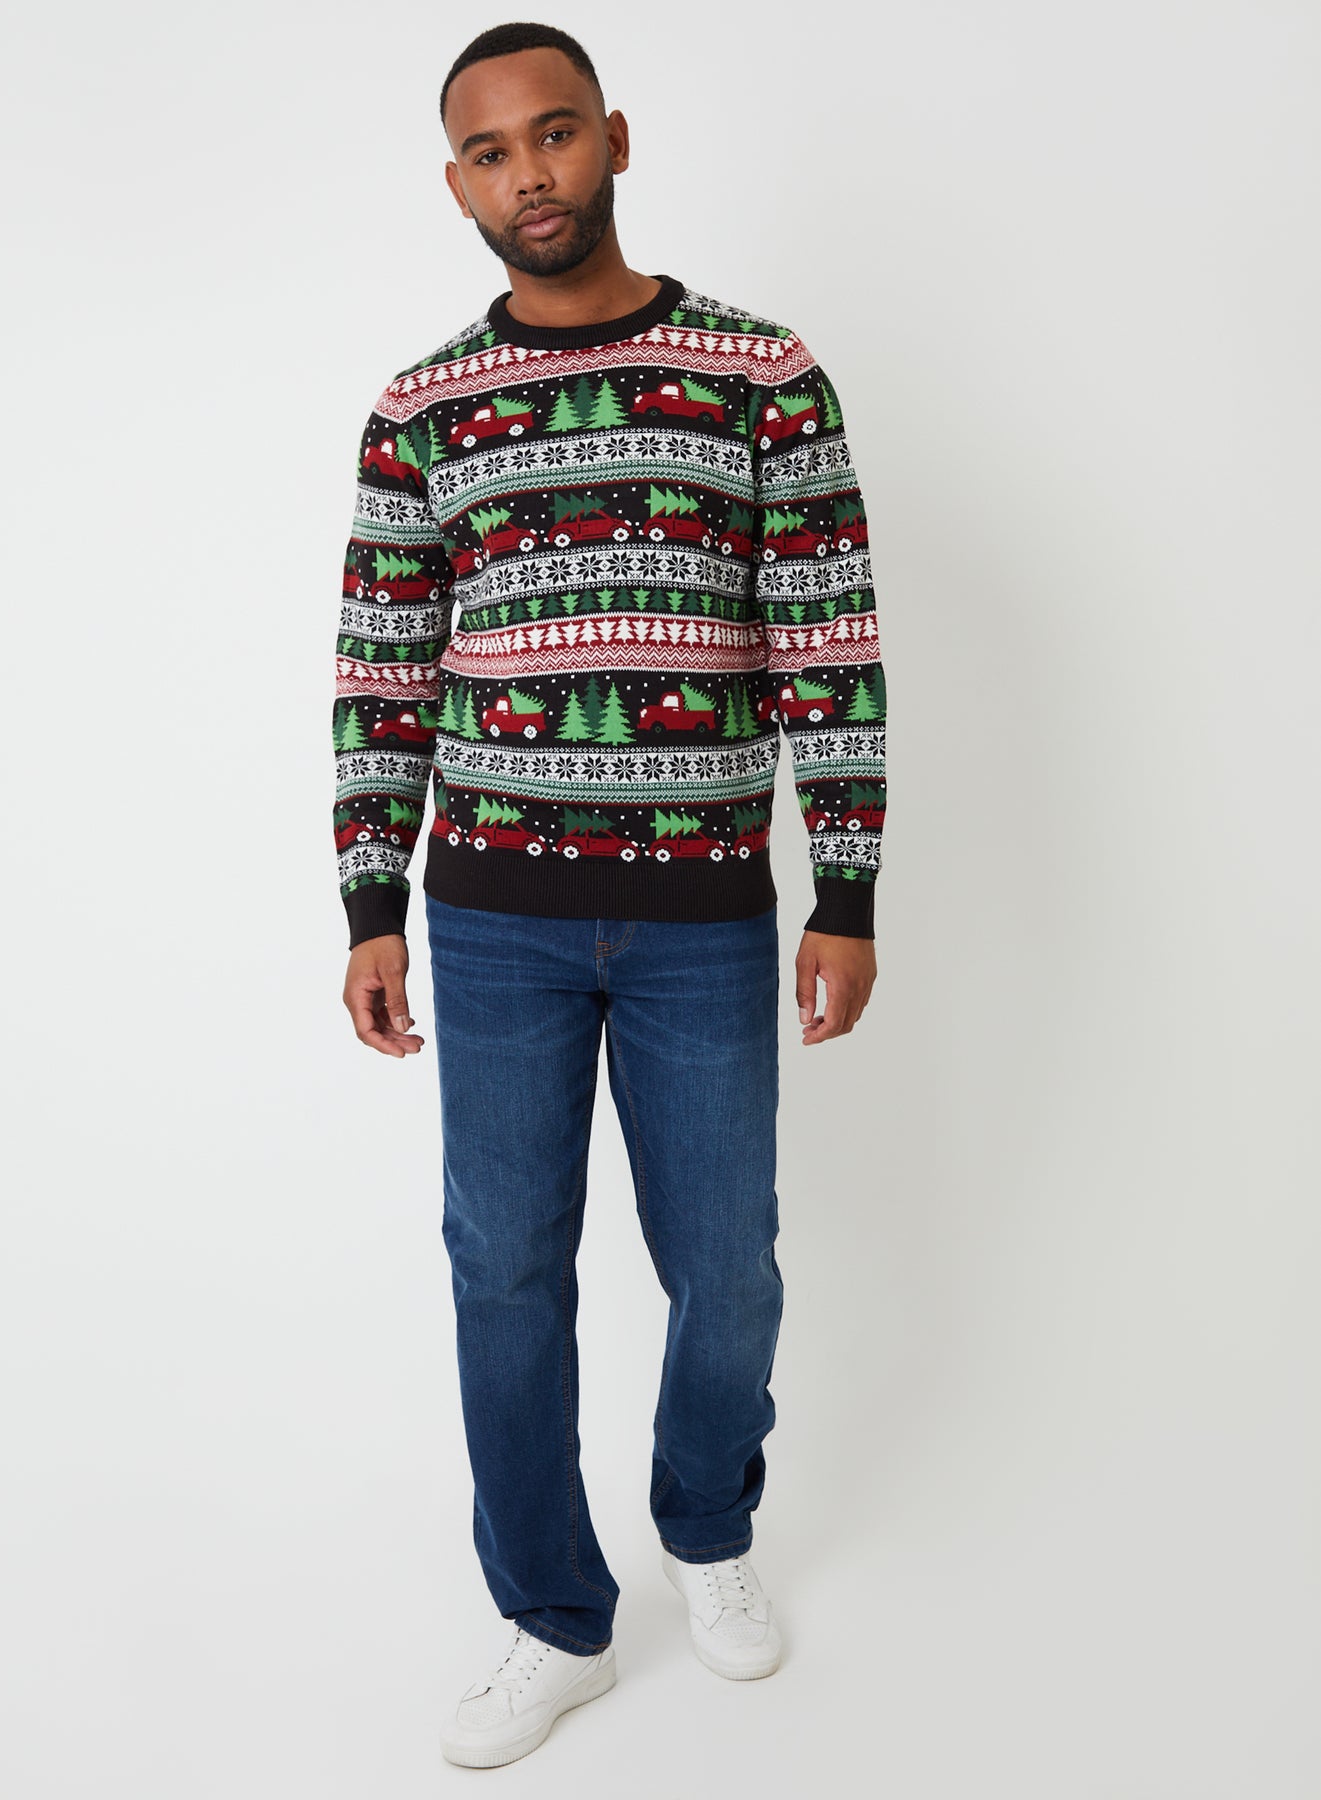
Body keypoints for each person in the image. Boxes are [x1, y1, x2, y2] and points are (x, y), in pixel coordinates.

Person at [332, 21, 887, 1770]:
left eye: (556, 134)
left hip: (704, 916)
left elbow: (826, 640)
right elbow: (382, 668)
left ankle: (705, 1528)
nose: (532, 175)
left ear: (615, 138)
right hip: (487, 918)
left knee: (726, 1266)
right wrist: (367, 903)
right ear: (456, 184)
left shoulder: (760, 373)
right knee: (503, 1269)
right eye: (492, 152)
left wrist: (846, 886)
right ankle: (553, 1615)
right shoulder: (420, 408)